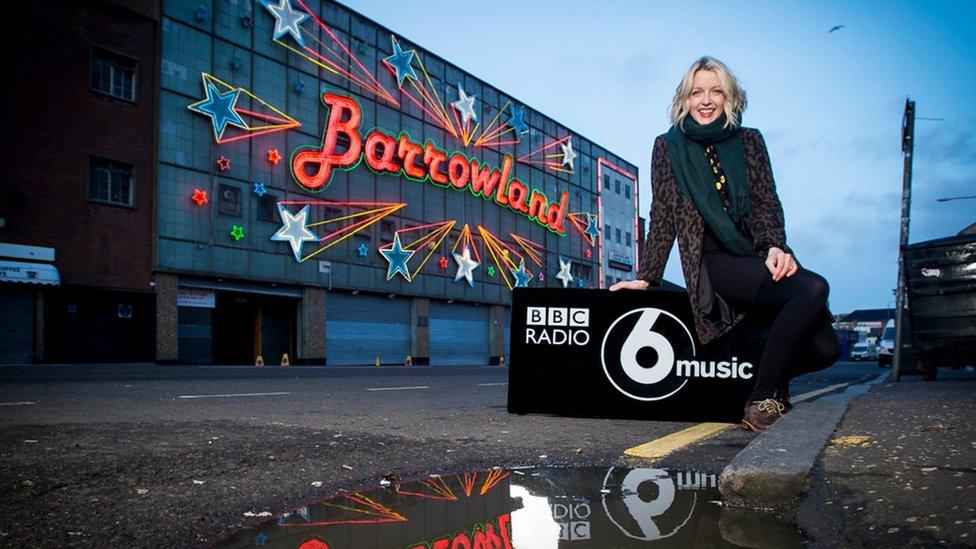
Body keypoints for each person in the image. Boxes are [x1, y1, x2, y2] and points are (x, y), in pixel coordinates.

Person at [610, 56, 839, 434]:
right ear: (684, 99)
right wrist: (647, 277)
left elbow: (766, 202)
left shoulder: (749, 141)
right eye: (696, 91)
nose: (706, 100)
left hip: (752, 254)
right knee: (814, 287)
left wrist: (775, 247)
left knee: (827, 348)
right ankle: (760, 399)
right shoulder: (668, 148)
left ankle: (765, 379)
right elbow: (663, 214)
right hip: (712, 261)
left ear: (730, 98)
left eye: (716, 91)